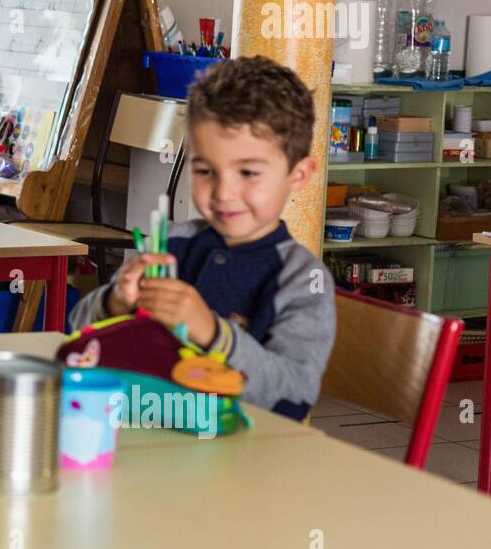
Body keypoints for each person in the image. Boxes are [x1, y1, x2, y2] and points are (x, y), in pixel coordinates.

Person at [70, 56, 334, 419]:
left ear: (299, 175)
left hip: (244, 457)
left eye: (249, 172)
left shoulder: (304, 279)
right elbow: (81, 336)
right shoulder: (171, 245)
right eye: (205, 170)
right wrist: (116, 302)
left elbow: (293, 394)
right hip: (145, 432)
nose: (224, 192)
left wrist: (212, 333)